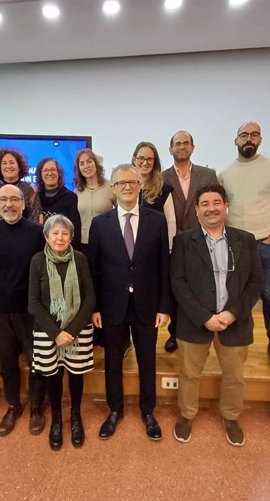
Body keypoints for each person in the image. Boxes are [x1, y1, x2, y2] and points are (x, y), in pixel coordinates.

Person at [170, 184, 263, 446]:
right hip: (195, 321)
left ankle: (231, 417)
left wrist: (233, 314)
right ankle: (187, 415)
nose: (211, 208)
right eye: (205, 204)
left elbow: (255, 283)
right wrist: (204, 317)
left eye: (216, 202)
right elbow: (178, 282)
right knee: (189, 373)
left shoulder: (245, 240)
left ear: (226, 206)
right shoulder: (184, 241)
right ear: (197, 210)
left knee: (235, 376)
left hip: (235, 322)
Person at [89, 164, 171, 441]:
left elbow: (164, 267)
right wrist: (95, 308)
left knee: (147, 359)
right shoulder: (100, 225)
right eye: (121, 183)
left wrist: (164, 306)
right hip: (112, 306)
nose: (127, 186)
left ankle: (148, 411)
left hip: (148, 305)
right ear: (113, 189)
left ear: (140, 186)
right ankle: (115, 410)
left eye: (132, 182)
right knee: (113, 360)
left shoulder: (157, 220)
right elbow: (94, 270)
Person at [219, 121, 270, 369]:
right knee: (238, 297)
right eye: (243, 135)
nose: (248, 139)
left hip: (265, 243)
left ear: (260, 139)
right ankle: (240, 343)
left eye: (253, 135)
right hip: (235, 246)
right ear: (235, 140)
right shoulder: (225, 174)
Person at [0, 184, 47, 437]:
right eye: (3, 200)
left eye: (14, 199)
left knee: (36, 362)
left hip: (29, 311)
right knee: (7, 362)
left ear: (23, 203)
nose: (9, 204)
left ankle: (37, 408)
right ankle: (13, 406)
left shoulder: (37, 232)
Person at [28, 215, 96, 451]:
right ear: (47, 237)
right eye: (55, 233)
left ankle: (75, 416)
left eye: (65, 233)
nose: (60, 237)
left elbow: (90, 298)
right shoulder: (37, 261)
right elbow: (33, 303)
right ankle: (57, 417)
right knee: (53, 375)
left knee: (76, 374)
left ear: (71, 237)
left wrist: (72, 330)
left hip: (78, 330)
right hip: (48, 331)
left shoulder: (80, 259)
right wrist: (56, 333)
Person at [162, 130, 219, 353]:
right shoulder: (162, 177)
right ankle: (175, 334)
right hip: (173, 242)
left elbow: (216, 205)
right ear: (170, 150)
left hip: (202, 241)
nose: (182, 147)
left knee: (200, 288)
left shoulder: (208, 174)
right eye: (177, 144)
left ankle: (201, 330)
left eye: (186, 143)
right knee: (177, 288)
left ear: (193, 148)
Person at [131, 141, 176, 249]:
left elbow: (171, 222)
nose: (145, 163)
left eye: (149, 159)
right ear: (134, 160)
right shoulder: (126, 188)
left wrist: (169, 248)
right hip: (130, 247)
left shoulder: (163, 189)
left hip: (155, 248)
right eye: (141, 158)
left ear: (154, 162)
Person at [74, 148, 116, 251]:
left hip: (107, 242)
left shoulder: (111, 187)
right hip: (84, 244)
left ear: (96, 164)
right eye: (82, 163)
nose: (86, 166)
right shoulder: (77, 191)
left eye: (89, 161)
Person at [37, 157, 82, 249]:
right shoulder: (36, 198)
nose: (49, 173)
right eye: (45, 170)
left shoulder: (70, 197)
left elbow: (75, 230)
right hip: (41, 251)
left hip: (64, 250)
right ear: (40, 174)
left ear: (59, 173)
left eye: (53, 169)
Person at [0, 148, 42, 223]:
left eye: (11, 162)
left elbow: (35, 216)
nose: (8, 166)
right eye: (4, 163)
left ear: (19, 167)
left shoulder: (29, 188)